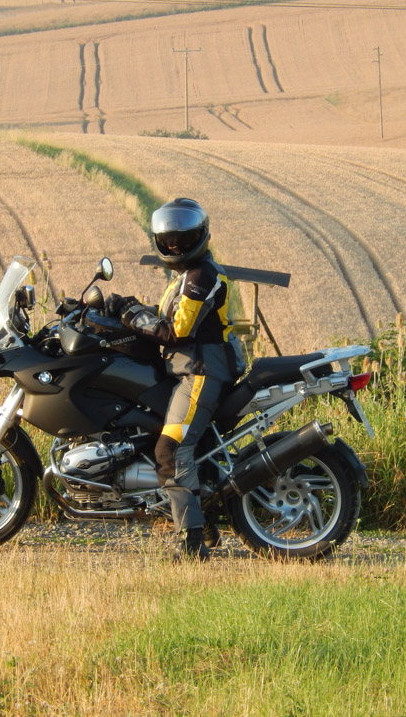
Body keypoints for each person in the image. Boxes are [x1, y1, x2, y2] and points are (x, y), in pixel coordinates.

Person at [105, 197, 243, 561]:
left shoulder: (203, 276)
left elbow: (175, 331)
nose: (175, 246)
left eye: (183, 239)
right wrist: (129, 308)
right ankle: (204, 520)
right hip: (188, 368)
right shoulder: (188, 274)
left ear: (200, 235)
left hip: (201, 371)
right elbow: (167, 315)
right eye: (168, 240)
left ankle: (194, 543)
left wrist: (129, 313)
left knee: (171, 449)